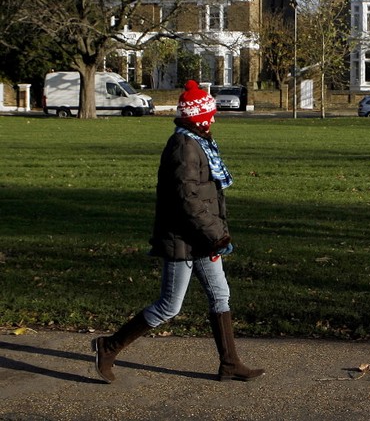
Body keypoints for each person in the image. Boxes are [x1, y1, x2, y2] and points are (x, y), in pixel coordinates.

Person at [91, 80, 263, 383]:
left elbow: (206, 196)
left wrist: (215, 233)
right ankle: (109, 346)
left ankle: (230, 363)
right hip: (183, 239)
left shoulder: (198, 143)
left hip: (202, 239)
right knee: (169, 306)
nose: (214, 118)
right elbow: (188, 200)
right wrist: (216, 235)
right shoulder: (184, 147)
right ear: (199, 118)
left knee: (220, 296)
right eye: (210, 113)